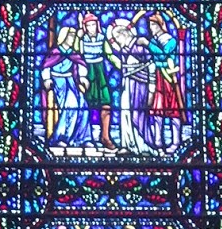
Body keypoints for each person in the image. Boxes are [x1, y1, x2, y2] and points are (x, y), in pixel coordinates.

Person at [108, 18, 153, 154]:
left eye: (117, 37)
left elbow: (151, 65)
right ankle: (128, 145)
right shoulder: (125, 50)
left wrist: (151, 88)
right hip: (127, 85)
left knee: (138, 114)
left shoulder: (140, 47)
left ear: (124, 34)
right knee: (125, 113)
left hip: (140, 85)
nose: (116, 41)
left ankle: (144, 146)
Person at [41, 25, 88, 149]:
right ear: (64, 37)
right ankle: (62, 137)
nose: (72, 39)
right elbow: (46, 66)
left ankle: (81, 138)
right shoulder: (55, 53)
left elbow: (80, 64)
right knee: (71, 104)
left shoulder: (73, 53)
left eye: (73, 36)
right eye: (71, 36)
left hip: (71, 80)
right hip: (58, 81)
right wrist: (47, 79)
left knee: (83, 105)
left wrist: (83, 77)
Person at [145, 13, 186, 151]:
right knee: (157, 109)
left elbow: (164, 54)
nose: (151, 28)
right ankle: (157, 141)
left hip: (169, 78)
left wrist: (148, 44)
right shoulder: (155, 40)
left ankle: (175, 142)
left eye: (153, 24)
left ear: (161, 25)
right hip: (157, 77)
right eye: (150, 25)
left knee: (173, 110)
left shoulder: (171, 41)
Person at [77, 13, 116, 150]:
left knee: (106, 104)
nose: (91, 28)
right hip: (86, 73)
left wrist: (121, 65)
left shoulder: (102, 38)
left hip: (100, 73)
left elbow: (110, 54)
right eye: (88, 25)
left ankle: (105, 137)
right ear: (85, 27)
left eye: (93, 24)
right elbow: (76, 55)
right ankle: (83, 137)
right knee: (85, 104)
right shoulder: (81, 40)